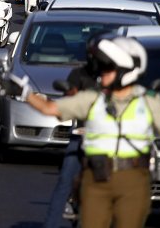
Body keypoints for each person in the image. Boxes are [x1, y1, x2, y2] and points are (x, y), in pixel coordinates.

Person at [0, 36, 160, 228]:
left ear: (126, 71)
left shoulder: (148, 102)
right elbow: (51, 108)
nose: (102, 73)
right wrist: (25, 92)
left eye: (108, 68)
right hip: (95, 178)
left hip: (133, 181)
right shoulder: (92, 99)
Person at [43, 51, 101, 228]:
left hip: (106, 140)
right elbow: (66, 100)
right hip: (81, 135)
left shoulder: (116, 82)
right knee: (65, 179)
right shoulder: (79, 74)